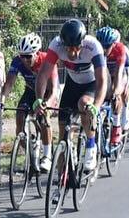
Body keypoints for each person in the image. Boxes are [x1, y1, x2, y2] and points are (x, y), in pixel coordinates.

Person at [38, 18, 108, 171]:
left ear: (82, 43)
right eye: (68, 47)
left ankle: (91, 146)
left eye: (75, 47)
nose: (71, 52)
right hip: (73, 83)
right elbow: (43, 74)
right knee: (63, 126)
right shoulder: (56, 45)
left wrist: (96, 106)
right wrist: (38, 99)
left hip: (92, 83)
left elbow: (102, 81)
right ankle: (65, 169)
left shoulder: (93, 46)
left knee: (84, 104)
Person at [1, 32, 58, 172]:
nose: (25, 60)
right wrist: (2, 101)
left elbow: (55, 89)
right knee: (20, 115)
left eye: (28, 56)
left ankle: (47, 156)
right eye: (22, 56)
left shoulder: (47, 60)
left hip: (48, 93)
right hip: (31, 91)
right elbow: (9, 84)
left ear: (37, 53)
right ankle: (30, 149)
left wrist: (47, 103)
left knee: (44, 118)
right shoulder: (17, 61)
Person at [96, 26, 129, 149]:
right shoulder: (96, 49)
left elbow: (119, 72)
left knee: (118, 93)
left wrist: (117, 92)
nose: (105, 49)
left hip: (121, 72)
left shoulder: (121, 49)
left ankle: (117, 125)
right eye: (102, 46)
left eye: (107, 46)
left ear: (114, 43)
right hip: (106, 73)